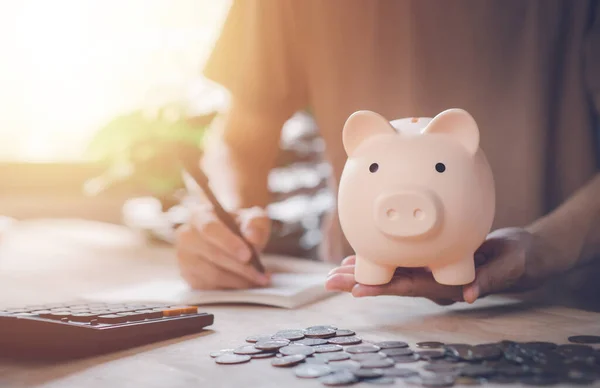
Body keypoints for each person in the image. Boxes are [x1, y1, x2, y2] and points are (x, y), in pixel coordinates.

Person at [175, 0, 600, 305]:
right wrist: (228, 220)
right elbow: (241, 135)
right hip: (354, 298)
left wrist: (543, 247)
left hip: (565, 303)